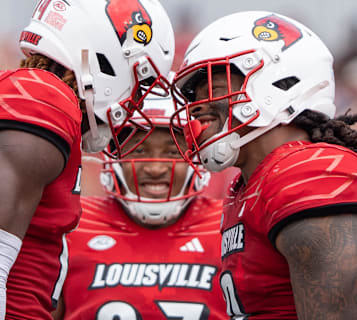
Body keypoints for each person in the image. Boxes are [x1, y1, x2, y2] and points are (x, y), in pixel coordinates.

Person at [0, 0, 174, 319]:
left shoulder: (32, 92)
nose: (135, 103)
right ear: (105, 55)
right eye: (140, 83)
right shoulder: (42, 98)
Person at [169, 11, 357, 319]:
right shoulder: (249, 183)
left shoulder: (308, 171)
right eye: (193, 95)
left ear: (280, 82)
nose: (198, 106)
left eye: (213, 88)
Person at [52, 95, 227, 320]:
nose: (155, 168)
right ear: (113, 157)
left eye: (173, 153)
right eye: (139, 150)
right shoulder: (73, 225)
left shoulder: (227, 225)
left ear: (197, 159)